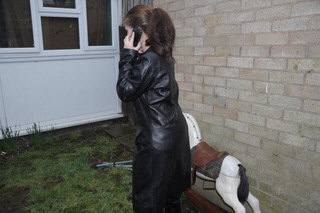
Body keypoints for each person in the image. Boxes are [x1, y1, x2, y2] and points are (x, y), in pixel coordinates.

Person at [116, 5, 191, 213]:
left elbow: (124, 90)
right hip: (176, 135)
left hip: (156, 143)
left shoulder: (147, 60)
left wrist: (127, 54)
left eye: (128, 31)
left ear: (140, 30)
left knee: (147, 202)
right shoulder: (162, 55)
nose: (126, 36)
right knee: (170, 196)